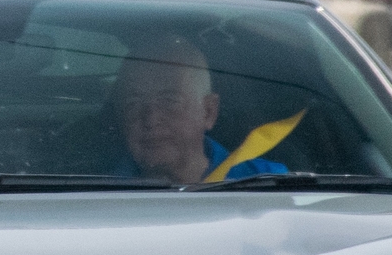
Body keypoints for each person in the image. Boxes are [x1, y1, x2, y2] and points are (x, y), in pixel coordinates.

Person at [108, 35, 294, 184]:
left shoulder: (269, 183)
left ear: (208, 112)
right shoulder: (96, 188)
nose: (150, 119)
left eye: (170, 101)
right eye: (133, 103)